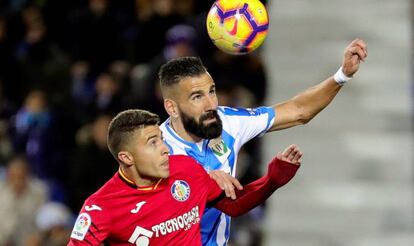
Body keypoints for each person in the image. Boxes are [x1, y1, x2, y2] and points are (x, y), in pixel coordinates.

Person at [158, 39, 367, 245]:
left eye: (211, 91)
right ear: (172, 108)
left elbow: (298, 110)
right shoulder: (153, 151)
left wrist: (342, 75)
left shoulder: (229, 122)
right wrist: (201, 179)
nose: (211, 104)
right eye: (196, 97)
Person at [68, 109, 301, 245]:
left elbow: (234, 203)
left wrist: (272, 180)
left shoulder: (186, 169)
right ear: (127, 157)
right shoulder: (100, 208)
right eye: (153, 143)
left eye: (160, 138)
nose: (165, 148)